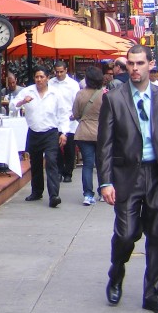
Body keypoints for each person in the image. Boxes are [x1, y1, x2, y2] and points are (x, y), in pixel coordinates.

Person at [98, 45, 158, 313]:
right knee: (126, 234)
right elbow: (105, 144)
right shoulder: (114, 99)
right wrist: (105, 182)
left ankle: (153, 295)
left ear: (151, 65)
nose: (134, 69)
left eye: (139, 63)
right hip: (127, 176)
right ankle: (116, 271)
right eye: (130, 64)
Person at [12, 67, 69, 207]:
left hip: (50, 132)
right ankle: (37, 191)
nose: (39, 80)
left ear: (47, 78)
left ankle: (54, 195)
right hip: (34, 132)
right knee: (35, 163)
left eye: (42, 77)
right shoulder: (27, 91)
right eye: (37, 77)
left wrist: (64, 132)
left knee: (51, 162)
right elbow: (13, 106)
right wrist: (22, 102)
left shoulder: (55, 93)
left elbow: (63, 113)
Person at [72, 65, 106, 206]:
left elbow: (75, 113)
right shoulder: (105, 94)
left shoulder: (80, 94)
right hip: (101, 132)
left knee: (87, 164)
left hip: (84, 132)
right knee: (102, 164)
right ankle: (103, 192)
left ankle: (88, 194)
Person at [50, 62, 80, 183]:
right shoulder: (51, 83)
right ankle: (58, 171)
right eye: (57, 71)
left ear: (66, 70)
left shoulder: (73, 85)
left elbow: (77, 101)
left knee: (69, 148)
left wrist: (75, 114)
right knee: (55, 148)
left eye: (61, 71)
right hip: (55, 120)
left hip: (69, 120)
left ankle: (68, 173)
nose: (59, 74)